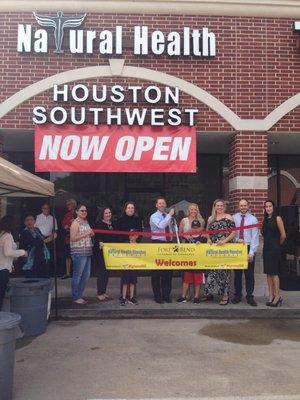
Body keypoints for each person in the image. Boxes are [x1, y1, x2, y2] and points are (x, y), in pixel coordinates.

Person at [202, 199, 236, 305]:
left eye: (221, 205)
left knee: (224, 272)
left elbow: (234, 232)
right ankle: (209, 294)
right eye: (218, 205)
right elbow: (207, 232)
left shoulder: (229, 217)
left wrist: (225, 241)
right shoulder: (210, 218)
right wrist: (208, 239)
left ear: (224, 207)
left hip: (224, 248)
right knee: (211, 272)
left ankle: (225, 296)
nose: (220, 207)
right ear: (214, 207)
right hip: (213, 250)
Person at [232, 199, 260, 306]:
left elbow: (255, 237)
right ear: (238, 207)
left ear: (248, 206)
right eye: (241, 205)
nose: (243, 207)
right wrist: (236, 240)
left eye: (245, 205)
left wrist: (251, 252)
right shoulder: (234, 218)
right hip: (237, 248)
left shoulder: (253, 219)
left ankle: (249, 296)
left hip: (248, 248)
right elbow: (231, 233)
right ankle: (237, 295)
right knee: (237, 274)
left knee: (249, 274)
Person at [177, 203, 205, 304]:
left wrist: (201, 241)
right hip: (186, 249)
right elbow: (179, 233)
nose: (193, 211)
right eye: (191, 209)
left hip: (198, 251)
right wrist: (185, 236)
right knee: (186, 274)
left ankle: (196, 296)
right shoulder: (184, 220)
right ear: (188, 210)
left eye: (195, 209)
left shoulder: (201, 221)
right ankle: (185, 295)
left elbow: (204, 235)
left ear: (197, 210)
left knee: (197, 274)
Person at [116, 201, 143, 306]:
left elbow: (140, 233)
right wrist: (126, 241)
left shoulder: (137, 220)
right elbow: (117, 234)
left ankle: (132, 296)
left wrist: (136, 240)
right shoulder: (120, 220)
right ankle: (123, 296)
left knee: (133, 274)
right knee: (125, 274)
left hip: (134, 249)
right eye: (129, 208)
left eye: (132, 208)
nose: (131, 209)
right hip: (124, 249)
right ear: (125, 209)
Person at [149, 197, 175, 303]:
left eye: (163, 203)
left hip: (168, 244)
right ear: (156, 205)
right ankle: (157, 296)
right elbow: (161, 225)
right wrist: (169, 215)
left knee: (168, 271)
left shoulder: (169, 217)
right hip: (157, 244)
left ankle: (166, 295)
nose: (162, 205)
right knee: (156, 271)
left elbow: (172, 229)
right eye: (159, 203)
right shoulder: (154, 216)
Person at [261, 199, 286, 307]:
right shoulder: (265, 219)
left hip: (275, 249)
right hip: (266, 249)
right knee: (268, 273)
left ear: (273, 207)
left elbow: (283, 235)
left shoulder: (278, 218)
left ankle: (278, 296)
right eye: (266, 207)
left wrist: (277, 245)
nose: (268, 208)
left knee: (274, 273)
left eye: (270, 206)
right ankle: (271, 295)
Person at [0, 216, 27, 310]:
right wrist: (22, 252)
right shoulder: (7, 236)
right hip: (3, 270)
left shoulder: (1, 234)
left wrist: (11, 265)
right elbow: (8, 252)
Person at [70, 204, 94, 305]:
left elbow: (88, 234)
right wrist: (87, 233)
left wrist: (91, 234)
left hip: (87, 251)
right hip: (79, 252)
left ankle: (79, 294)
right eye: (82, 211)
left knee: (86, 275)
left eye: (85, 211)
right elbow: (73, 238)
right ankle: (76, 296)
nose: (84, 212)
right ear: (77, 212)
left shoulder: (85, 221)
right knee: (78, 275)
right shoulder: (75, 223)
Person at [94, 207, 117, 302]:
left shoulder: (112, 224)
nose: (108, 214)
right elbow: (98, 236)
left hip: (110, 252)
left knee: (107, 273)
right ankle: (99, 293)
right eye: (106, 213)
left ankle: (104, 292)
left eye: (109, 212)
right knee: (102, 272)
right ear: (102, 214)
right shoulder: (99, 223)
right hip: (101, 252)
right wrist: (100, 242)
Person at [19, 213, 50, 278]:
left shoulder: (37, 230)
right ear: (24, 222)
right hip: (29, 259)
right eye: (27, 220)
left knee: (41, 279)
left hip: (40, 257)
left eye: (31, 220)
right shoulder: (24, 232)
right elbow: (34, 242)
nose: (29, 222)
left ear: (35, 221)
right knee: (31, 279)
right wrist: (47, 240)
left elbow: (41, 239)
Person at [35, 202, 58, 275]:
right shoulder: (37, 217)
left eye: (48, 208)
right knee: (38, 257)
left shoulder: (53, 218)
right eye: (45, 208)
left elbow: (55, 231)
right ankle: (39, 274)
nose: (46, 209)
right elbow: (33, 229)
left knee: (48, 258)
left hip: (49, 240)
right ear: (42, 209)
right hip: (38, 239)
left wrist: (49, 239)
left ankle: (47, 274)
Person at [61, 198, 77, 279]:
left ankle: (76, 272)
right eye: (67, 205)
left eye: (69, 204)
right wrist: (66, 227)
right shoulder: (67, 215)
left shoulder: (79, 213)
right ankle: (67, 273)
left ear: (73, 205)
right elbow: (64, 225)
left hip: (77, 239)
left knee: (76, 256)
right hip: (68, 238)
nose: (67, 206)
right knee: (68, 256)